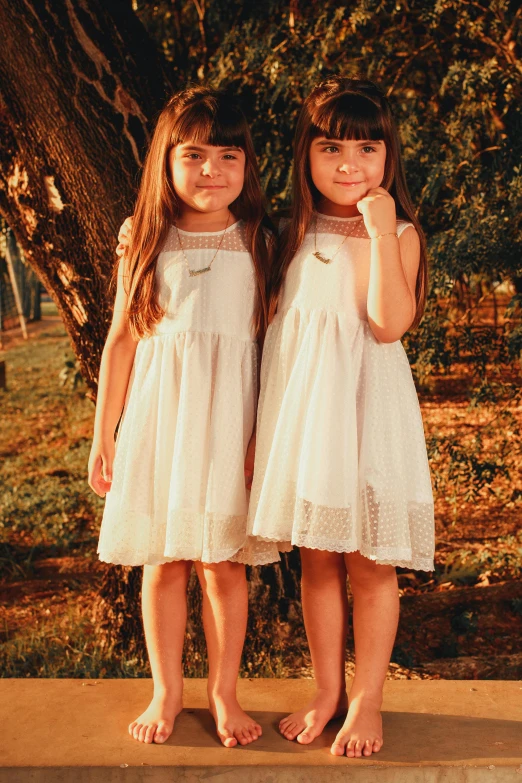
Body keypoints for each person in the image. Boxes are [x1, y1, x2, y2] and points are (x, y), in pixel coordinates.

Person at [247, 76, 435, 758]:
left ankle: (368, 697)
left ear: (390, 157)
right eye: (331, 147)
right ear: (306, 155)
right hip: (307, 422)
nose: (349, 163)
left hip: (367, 421)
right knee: (318, 561)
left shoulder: (402, 233)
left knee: (370, 564)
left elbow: (388, 324)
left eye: (367, 147)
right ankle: (327, 688)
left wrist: (382, 232)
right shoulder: (284, 234)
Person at [88, 86, 279, 748]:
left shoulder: (259, 240)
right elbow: (120, 342)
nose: (212, 171)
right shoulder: (142, 237)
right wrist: (103, 434)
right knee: (165, 560)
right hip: (160, 422)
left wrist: (262, 439)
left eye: (229, 156)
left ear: (247, 165)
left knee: (222, 564)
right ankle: (166, 689)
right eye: (194, 155)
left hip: (232, 425)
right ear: (165, 161)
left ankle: (223, 693)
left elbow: (272, 351)